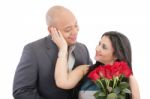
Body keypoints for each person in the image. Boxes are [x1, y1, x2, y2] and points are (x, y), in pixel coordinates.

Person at [13, 5, 92, 99]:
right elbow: (21, 91)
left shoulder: (82, 49)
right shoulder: (33, 50)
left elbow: (92, 81)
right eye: (68, 29)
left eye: (76, 25)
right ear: (51, 30)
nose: (75, 31)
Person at [53, 31, 140, 99]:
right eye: (99, 44)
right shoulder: (84, 70)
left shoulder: (129, 80)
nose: (97, 48)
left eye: (104, 47)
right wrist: (63, 49)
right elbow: (62, 82)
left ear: (116, 55)